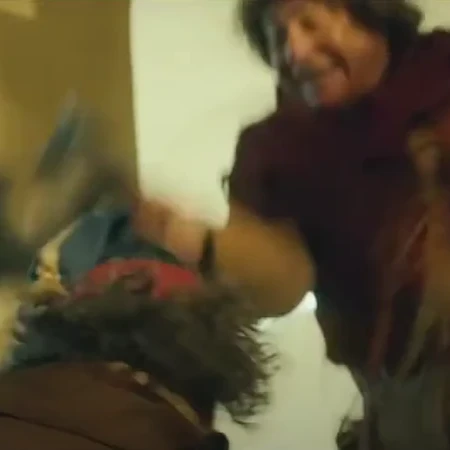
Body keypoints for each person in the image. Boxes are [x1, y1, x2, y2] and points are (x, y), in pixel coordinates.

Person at [133, 0, 450, 448]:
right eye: (278, 38)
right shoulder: (274, 152)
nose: (295, 51)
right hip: (404, 395)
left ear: (371, 14)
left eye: (309, 23)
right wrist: (197, 241)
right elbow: (281, 287)